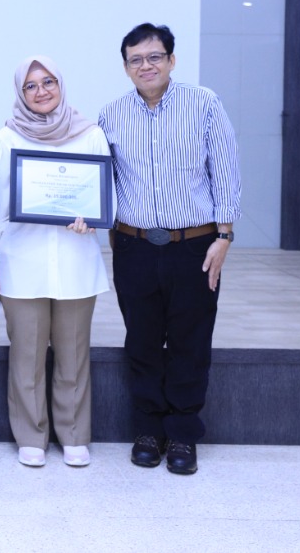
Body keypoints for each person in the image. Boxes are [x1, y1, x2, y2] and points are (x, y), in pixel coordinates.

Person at [98, 23, 240, 475]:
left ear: (171, 61)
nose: (146, 66)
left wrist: (225, 236)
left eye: (154, 57)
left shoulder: (204, 104)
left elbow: (226, 170)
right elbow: (101, 181)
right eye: (136, 60)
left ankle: (181, 434)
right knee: (141, 341)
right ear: (125, 67)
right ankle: (147, 430)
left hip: (194, 245)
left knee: (189, 340)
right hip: (134, 246)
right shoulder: (111, 115)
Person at [0, 56, 110, 468]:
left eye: (48, 82)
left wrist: (92, 219)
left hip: (75, 259)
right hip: (22, 260)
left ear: (60, 84)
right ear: (21, 93)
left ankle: (74, 434)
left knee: (73, 353)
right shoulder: (7, 136)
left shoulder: (89, 134)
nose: (41, 91)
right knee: (27, 355)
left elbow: (105, 195)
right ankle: (30, 435)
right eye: (31, 86)